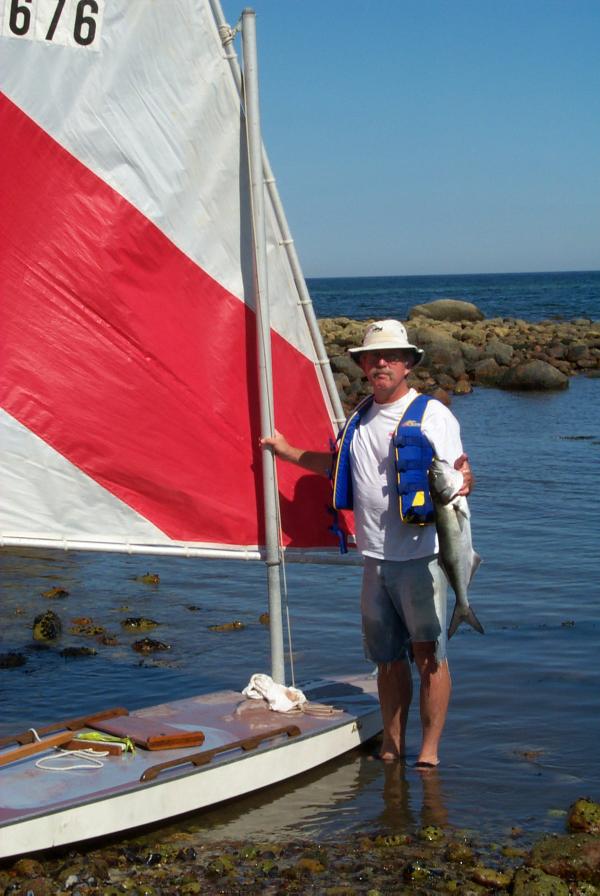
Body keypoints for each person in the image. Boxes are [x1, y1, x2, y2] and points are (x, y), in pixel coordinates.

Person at [261, 320, 472, 768]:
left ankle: (429, 752)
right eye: (373, 357)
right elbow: (336, 466)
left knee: (429, 656)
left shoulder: (433, 415)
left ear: (408, 364)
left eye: (391, 357)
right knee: (386, 660)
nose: (381, 364)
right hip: (374, 560)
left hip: (423, 558)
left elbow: (456, 476)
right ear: (362, 366)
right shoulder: (358, 418)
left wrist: (466, 480)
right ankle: (392, 745)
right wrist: (286, 451)